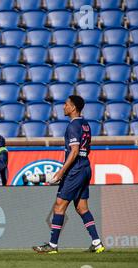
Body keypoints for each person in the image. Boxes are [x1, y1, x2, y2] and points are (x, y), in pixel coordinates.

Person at [32, 95, 105, 254]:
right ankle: (97, 242)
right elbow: (85, 149)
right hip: (85, 167)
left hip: (76, 170)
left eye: (66, 104)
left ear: (73, 108)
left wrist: (61, 172)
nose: (63, 107)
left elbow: (74, 151)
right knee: (81, 207)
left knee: (59, 205)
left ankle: (52, 245)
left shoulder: (72, 126)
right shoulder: (85, 124)